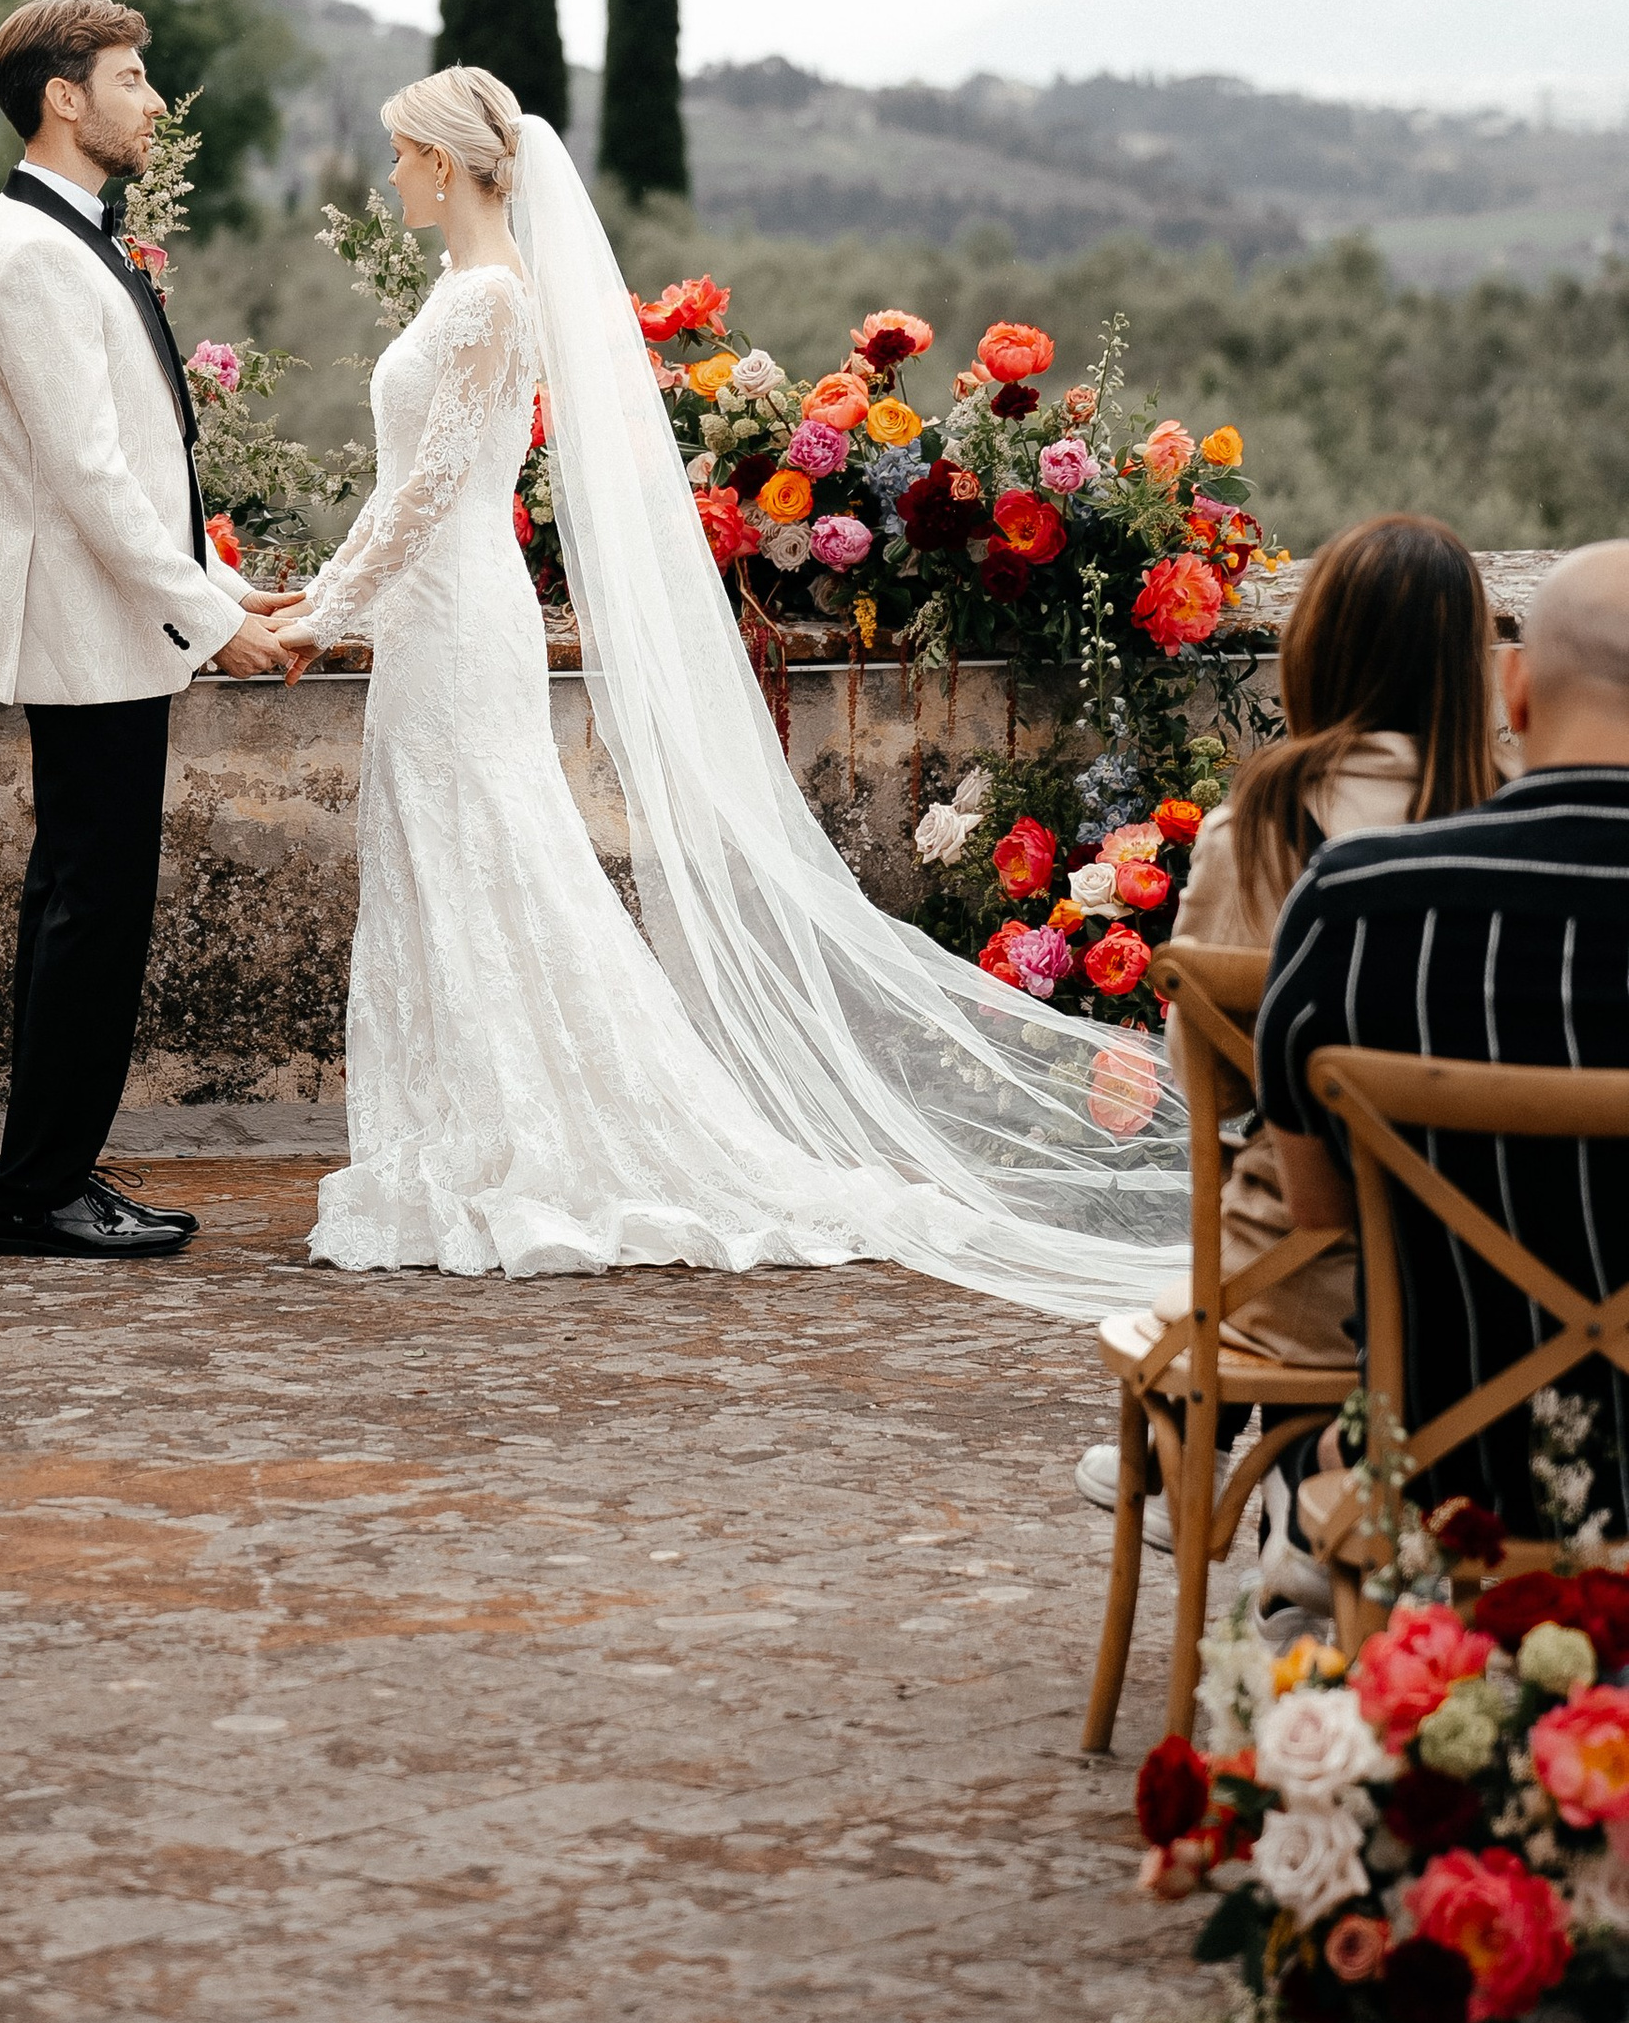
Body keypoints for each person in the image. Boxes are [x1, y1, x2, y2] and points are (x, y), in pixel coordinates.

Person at [288, 70, 1189, 1308]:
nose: (387, 177)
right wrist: (320, 605)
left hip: (455, 617)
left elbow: (432, 491)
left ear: (445, 165)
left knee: (494, 850)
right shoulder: (462, 288)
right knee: (443, 852)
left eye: (399, 156)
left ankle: (542, 1132)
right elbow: (405, 491)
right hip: (427, 619)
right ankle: (467, 1123)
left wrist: (314, 614)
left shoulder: (492, 299)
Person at [0, 0, 312, 1259]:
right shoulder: (39, 254)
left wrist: (217, 587)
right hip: (93, 637)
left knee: (85, 908)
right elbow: (89, 479)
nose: (153, 101)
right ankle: (39, 1195)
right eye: (129, 78)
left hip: (111, 629)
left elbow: (128, 469)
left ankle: (51, 1176)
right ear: (65, 97)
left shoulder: (58, 236)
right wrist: (209, 623)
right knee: (90, 917)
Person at [1072, 512, 1503, 1545]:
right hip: (1484, 1284)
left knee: (1270, 1203)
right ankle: (1311, 1501)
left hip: (1297, 1281)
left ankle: (1219, 1458)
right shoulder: (1508, 822)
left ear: (1315, 648)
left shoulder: (1260, 824)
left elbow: (1207, 1082)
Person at [1255, 534, 1629, 1539]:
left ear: (1514, 692)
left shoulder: (1357, 904)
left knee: (1305, 1457)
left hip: (1450, 1473)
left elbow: (1318, 1206)